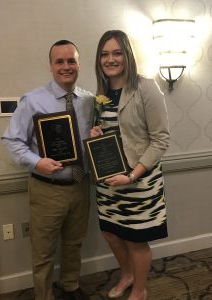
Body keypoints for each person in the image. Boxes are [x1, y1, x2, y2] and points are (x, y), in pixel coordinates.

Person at [2, 40, 95, 300]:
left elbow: (88, 141)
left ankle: (70, 286)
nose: (66, 66)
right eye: (60, 61)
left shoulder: (88, 100)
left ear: (78, 64)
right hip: (47, 189)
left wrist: (96, 137)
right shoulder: (32, 101)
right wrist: (37, 162)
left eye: (71, 61)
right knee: (43, 252)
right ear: (50, 66)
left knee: (74, 243)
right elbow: (12, 140)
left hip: (80, 185)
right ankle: (43, 295)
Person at [90, 30, 170, 300]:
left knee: (136, 240)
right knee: (111, 233)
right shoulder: (101, 93)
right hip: (109, 181)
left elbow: (160, 140)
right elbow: (113, 132)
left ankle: (140, 289)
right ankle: (127, 275)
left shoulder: (146, 88)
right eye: (104, 54)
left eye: (116, 53)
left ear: (127, 55)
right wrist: (96, 133)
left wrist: (133, 176)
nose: (110, 59)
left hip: (139, 181)